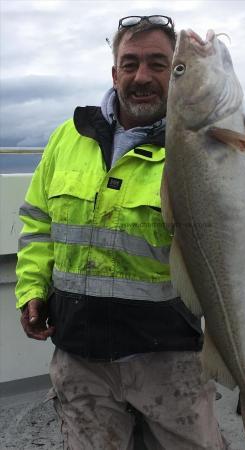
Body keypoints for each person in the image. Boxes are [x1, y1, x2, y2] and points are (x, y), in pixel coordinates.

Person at [16, 15, 227, 450]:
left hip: (169, 358)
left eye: (158, 64)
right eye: (130, 64)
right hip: (80, 355)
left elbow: (225, 241)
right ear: (114, 73)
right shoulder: (66, 138)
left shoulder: (201, 145)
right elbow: (38, 224)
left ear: (175, 73)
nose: (142, 76)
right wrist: (31, 290)